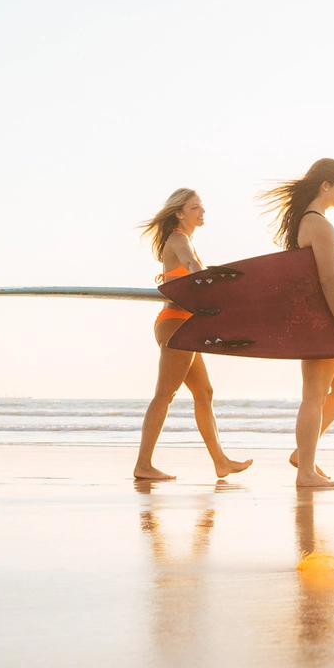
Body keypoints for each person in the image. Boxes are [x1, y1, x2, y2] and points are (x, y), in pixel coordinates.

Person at [133, 189, 254, 483]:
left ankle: (221, 462)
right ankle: (143, 465)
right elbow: (190, 265)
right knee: (165, 394)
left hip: (183, 322)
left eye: (202, 206)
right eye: (195, 207)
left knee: (204, 393)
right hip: (175, 322)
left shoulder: (179, 238)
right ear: (179, 213)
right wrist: (206, 281)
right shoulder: (178, 238)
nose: (202, 212)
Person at [263, 159, 334, 488]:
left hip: (316, 318)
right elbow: (329, 282)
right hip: (321, 321)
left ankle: (302, 455)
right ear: (326, 186)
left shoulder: (310, 222)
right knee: (314, 397)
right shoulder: (319, 225)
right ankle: (305, 471)